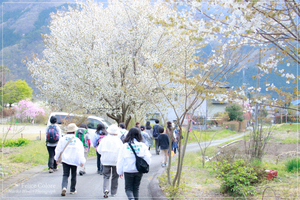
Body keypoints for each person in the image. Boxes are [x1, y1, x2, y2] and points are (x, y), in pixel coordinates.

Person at [117, 127, 151, 200]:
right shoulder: (143, 145)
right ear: (139, 135)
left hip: (128, 170)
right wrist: (145, 166)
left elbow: (120, 160)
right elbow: (148, 158)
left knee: (128, 189)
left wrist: (120, 171)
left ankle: (131, 199)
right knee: (136, 188)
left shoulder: (125, 146)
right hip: (139, 170)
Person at [54, 123, 86, 196]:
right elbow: (80, 152)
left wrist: (56, 158)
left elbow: (58, 149)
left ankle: (64, 187)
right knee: (73, 174)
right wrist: (82, 161)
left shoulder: (62, 139)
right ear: (75, 131)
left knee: (65, 174)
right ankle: (72, 189)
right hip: (74, 160)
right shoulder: (77, 140)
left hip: (65, 160)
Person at [97, 124, 123, 198]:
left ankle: (106, 189)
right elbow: (122, 151)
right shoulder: (118, 140)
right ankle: (113, 192)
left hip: (105, 160)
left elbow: (99, 150)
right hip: (115, 161)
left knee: (106, 176)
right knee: (115, 176)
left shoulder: (104, 139)